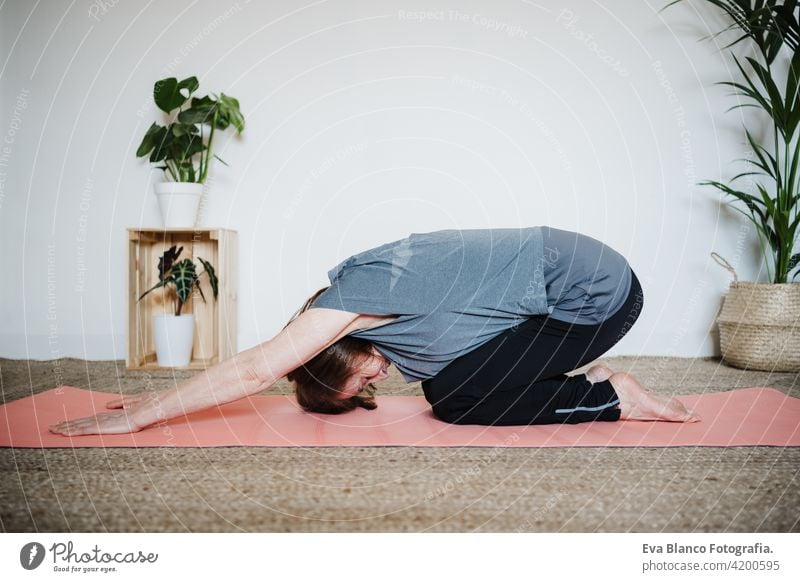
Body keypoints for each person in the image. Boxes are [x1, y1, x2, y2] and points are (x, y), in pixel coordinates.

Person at [49, 226, 698, 436]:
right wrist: (145, 399)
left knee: (453, 397)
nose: (373, 384)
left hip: (597, 299)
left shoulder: (353, 301)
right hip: (587, 281)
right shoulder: (374, 296)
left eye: (355, 382)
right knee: (454, 382)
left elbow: (255, 369)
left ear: (332, 354)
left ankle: (613, 397)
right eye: (364, 392)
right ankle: (598, 383)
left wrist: (138, 419)